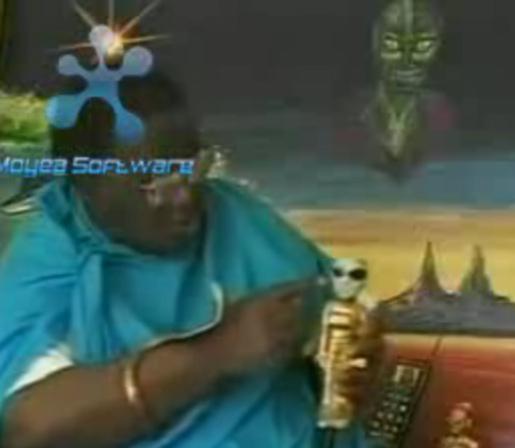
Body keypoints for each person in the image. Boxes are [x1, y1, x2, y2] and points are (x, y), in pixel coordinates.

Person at [0, 72, 381, 448]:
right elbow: (29, 428)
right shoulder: (53, 260)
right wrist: (217, 352)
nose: (185, 197)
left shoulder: (233, 210)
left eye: (193, 167)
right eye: (152, 181)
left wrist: (351, 351)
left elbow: (337, 306)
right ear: (84, 183)